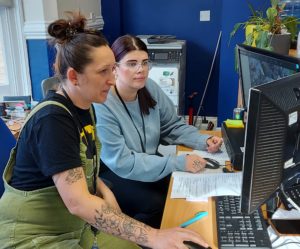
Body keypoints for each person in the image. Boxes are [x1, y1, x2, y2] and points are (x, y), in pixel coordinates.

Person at [0, 14, 209, 249]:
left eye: (113, 69)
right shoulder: (53, 121)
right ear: (73, 77)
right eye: (103, 72)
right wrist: (153, 236)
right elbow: (78, 203)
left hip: (75, 226)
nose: (112, 79)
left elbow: (76, 168)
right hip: (35, 236)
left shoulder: (85, 106)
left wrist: (102, 188)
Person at [94, 34, 223, 228]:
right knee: (157, 204)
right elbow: (122, 161)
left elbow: (171, 126)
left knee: (186, 185)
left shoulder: (149, 88)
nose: (141, 70)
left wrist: (201, 140)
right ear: (115, 68)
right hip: (117, 172)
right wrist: (178, 162)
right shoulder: (103, 103)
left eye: (145, 62)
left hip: (148, 162)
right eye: (132, 63)